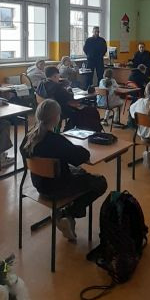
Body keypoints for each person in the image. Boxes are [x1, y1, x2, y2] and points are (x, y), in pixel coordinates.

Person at [21, 99, 107, 242]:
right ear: (56, 118)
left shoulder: (28, 137)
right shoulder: (56, 141)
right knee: (100, 182)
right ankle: (68, 214)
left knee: (80, 172)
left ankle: (65, 214)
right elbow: (81, 156)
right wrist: (75, 147)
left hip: (40, 185)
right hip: (58, 188)